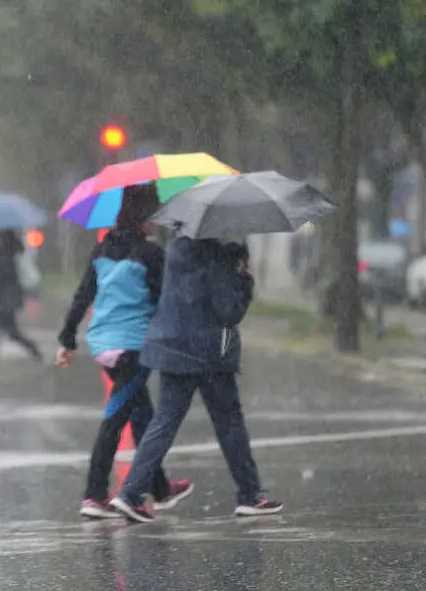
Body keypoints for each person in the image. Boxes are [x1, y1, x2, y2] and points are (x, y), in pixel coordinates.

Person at [109, 234, 282, 522]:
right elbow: (228, 311)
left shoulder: (178, 245)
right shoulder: (223, 252)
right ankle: (251, 494)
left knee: (164, 422)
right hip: (209, 352)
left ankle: (130, 494)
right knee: (229, 423)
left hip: (172, 345)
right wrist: (245, 280)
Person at [56, 184, 192, 519]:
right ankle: (94, 495)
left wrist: (67, 339)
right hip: (134, 347)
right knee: (115, 420)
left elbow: (83, 294)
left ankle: (160, 488)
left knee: (141, 414)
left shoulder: (102, 249)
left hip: (102, 344)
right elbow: (166, 300)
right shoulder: (150, 253)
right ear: (146, 217)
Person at [0, 229, 42, 372]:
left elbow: (1, 279)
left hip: (6, 301)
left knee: (6, 332)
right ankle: (34, 351)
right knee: (3, 331)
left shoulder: (6, 257)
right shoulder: (8, 255)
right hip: (5, 300)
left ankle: (34, 351)